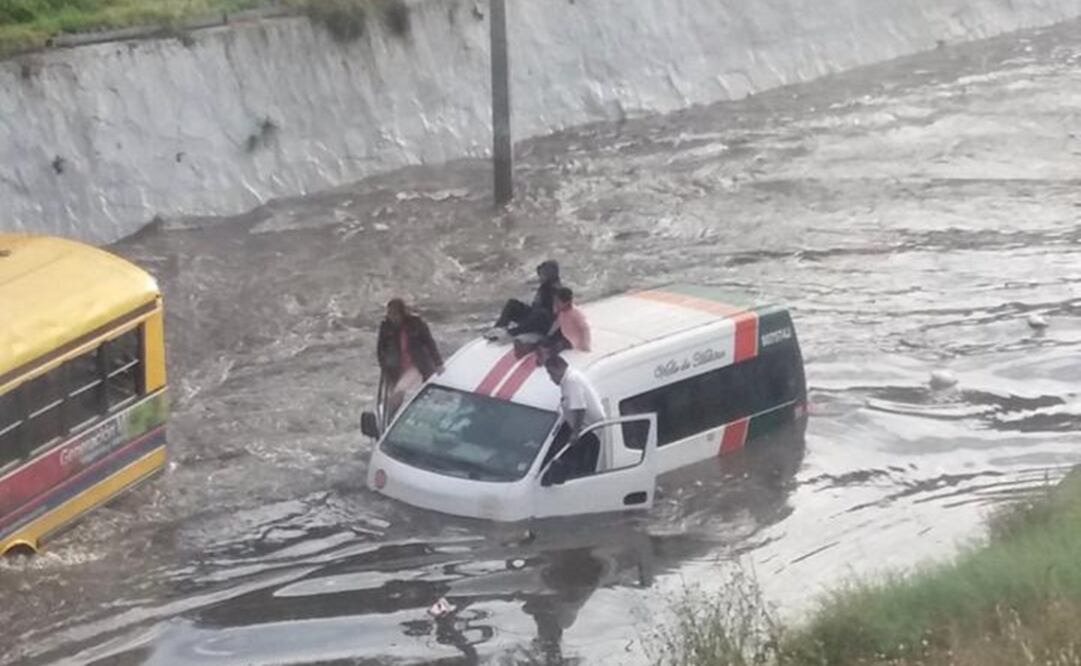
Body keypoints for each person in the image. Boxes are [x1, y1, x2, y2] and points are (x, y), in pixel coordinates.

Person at [377, 298, 444, 419]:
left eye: (394, 314)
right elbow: (381, 349)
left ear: (401, 314)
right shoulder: (386, 327)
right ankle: (390, 420)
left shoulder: (416, 324)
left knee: (399, 391)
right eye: (389, 314)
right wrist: (384, 366)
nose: (391, 317)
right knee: (394, 396)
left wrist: (438, 363)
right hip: (395, 368)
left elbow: (429, 343)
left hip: (416, 365)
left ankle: (387, 419)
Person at [543, 354, 605, 478]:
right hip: (581, 427)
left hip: (588, 430)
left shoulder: (571, 381)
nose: (551, 378)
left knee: (579, 466)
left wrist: (575, 433)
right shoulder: (570, 378)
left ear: (558, 368)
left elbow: (580, 408)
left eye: (551, 373)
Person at [485, 260, 561, 342]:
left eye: (543, 274)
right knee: (513, 303)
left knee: (541, 314)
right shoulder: (544, 286)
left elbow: (558, 315)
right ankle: (499, 328)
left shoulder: (556, 290)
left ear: (549, 275)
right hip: (533, 317)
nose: (540, 277)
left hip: (544, 324)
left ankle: (511, 333)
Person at [544, 287, 592, 354]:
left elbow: (585, 329)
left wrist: (585, 345)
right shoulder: (562, 312)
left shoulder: (575, 312)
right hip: (567, 339)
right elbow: (557, 323)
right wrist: (549, 334)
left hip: (575, 343)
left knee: (557, 346)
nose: (556, 303)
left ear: (566, 302)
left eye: (558, 301)